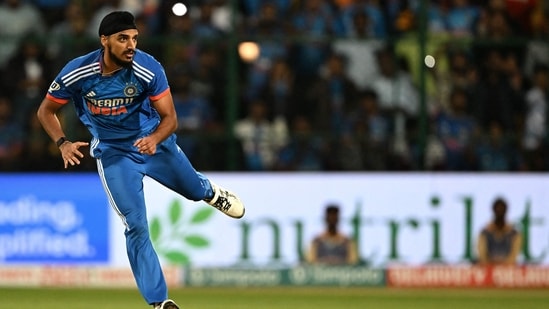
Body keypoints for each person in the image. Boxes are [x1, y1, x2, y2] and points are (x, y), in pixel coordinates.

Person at [36, 11, 245, 309]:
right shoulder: (77, 72)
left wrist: (154, 139)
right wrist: (62, 142)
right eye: (123, 39)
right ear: (104, 40)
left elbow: (171, 118)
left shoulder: (148, 68)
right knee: (135, 226)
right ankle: (159, 302)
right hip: (113, 154)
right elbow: (46, 110)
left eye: (134, 38)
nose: (131, 45)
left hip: (153, 144)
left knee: (194, 192)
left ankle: (210, 192)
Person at [476, 197, 522, 266]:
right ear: (493, 210)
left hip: (508, 271)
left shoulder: (514, 234)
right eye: (497, 209)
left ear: (506, 210)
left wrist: (503, 265)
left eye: (502, 209)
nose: (499, 211)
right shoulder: (484, 233)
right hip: (488, 270)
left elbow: (514, 255)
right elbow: (482, 254)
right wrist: (491, 264)